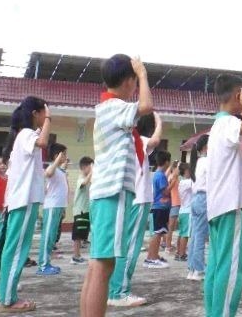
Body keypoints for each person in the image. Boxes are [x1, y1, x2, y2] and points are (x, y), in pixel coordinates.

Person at [80, 55, 153, 317]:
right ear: (128, 80)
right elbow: (146, 106)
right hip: (114, 193)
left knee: (97, 264)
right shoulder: (116, 107)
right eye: (135, 80)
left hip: (103, 193)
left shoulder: (105, 108)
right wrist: (144, 74)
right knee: (105, 266)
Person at [204, 74, 242, 317]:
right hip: (231, 206)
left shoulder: (218, 126)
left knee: (217, 267)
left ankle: (214, 312)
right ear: (238, 93)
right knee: (232, 269)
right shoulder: (228, 123)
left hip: (217, 207)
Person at [0, 96, 52, 312]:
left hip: (20, 200)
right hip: (24, 200)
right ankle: (8, 300)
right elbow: (42, 142)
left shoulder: (22, 136)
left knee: (13, 248)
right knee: (17, 249)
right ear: (35, 114)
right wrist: (49, 119)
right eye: (42, 112)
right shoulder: (27, 134)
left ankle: (7, 295)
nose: (44, 117)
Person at [108, 111, 164, 307]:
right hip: (138, 198)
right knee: (130, 246)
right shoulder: (137, 139)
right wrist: (159, 121)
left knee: (122, 244)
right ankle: (119, 291)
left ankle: (115, 287)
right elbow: (156, 140)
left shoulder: (124, 140)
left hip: (131, 198)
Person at [37, 143, 68, 275]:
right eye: (63, 154)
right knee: (48, 235)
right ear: (57, 155)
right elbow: (48, 173)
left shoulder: (61, 171)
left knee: (52, 237)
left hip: (58, 206)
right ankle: (43, 265)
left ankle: (47, 262)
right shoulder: (52, 167)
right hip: (51, 206)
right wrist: (56, 161)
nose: (66, 157)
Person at [186, 135, 209, 282]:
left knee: (195, 235)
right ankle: (199, 270)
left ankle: (192, 269)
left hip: (196, 199)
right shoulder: (207, 161)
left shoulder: (198, 162)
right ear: (206, 146)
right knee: (200, 236)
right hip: (204, 198)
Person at [145, 150, 173, 268]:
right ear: (166, 162)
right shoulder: (160, 176)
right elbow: (165, 192)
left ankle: (154, 256)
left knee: (159, 233)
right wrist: (174, 179)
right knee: (157, 233)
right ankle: (151, 258)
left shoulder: (158, 174)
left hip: (159, 207)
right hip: (160, 208)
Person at [71, 156, 94, 264]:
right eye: (90, 166)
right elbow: (83, 183)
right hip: (80, 211)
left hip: (85, 210)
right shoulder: (80, 178)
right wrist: (91, 172)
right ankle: (75, 256)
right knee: (77, 235)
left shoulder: (88, 179)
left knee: (82, 235)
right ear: (84, 167)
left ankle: (78, 255)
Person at [175, 161, 193, 262]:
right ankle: (182, 254)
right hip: (188, 211)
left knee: (181, 233)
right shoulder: (187, 182)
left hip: (182, 210)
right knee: (185, 234)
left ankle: (178, 252)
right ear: (186, 171)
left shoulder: (181, 182)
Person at [166, 160, 181, 255]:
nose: (179, 170)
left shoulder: (176, 178)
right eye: (178, 167)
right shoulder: (172, 177)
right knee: (170, 226)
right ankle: (167, 246)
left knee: (173, 226)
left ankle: (169, 244)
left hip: (177, 203)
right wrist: (172, 165)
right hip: (174, 204)